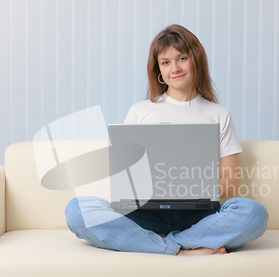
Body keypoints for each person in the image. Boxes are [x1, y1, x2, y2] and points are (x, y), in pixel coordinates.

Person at [65, 24, 268, 256]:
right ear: (158, 70)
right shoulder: (140, 111)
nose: (175, 68)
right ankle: (181, 249)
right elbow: (124, 177)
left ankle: (159, 243)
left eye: (182, 58)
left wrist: (189, 189)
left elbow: (231, 182)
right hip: (146, 213)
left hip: (197, 216)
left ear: (196, 60)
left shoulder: (218, 114)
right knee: (77, 210)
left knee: (253, 213)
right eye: (166, 62)